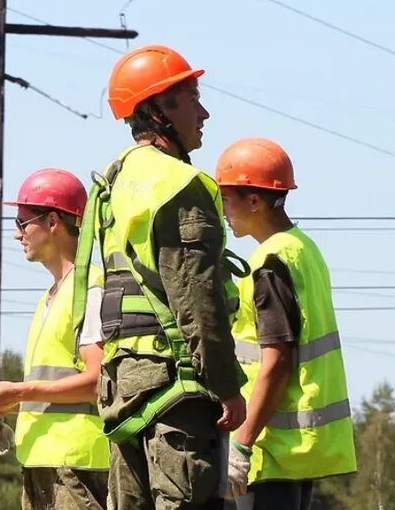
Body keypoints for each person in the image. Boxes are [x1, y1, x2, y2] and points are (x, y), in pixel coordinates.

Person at [72, 44, 248, 510]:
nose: (204, 111)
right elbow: (197, 298)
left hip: (123, 385)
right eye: (192, 97)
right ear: (157, 109)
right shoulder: (178, 185)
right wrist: (226, 385)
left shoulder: (114, 179)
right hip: (176, 386)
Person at [215, 138, 356, 508]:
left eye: (227, 198)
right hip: (300, 448)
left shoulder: (269, 264)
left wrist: (241, 445)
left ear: (255, 201)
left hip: (271, 449)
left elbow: (276, 361)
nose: (224, 211)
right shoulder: (304, 249)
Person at [0, 168, 110, 509]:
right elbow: (55, 384)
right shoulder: (51, 296)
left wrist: (21, 391)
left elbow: (97, 383)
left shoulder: (90, 290)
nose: (16, 234)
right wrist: (12, 403)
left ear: (53, 221)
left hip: (77, 465)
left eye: (23, 223)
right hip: (44, 463)